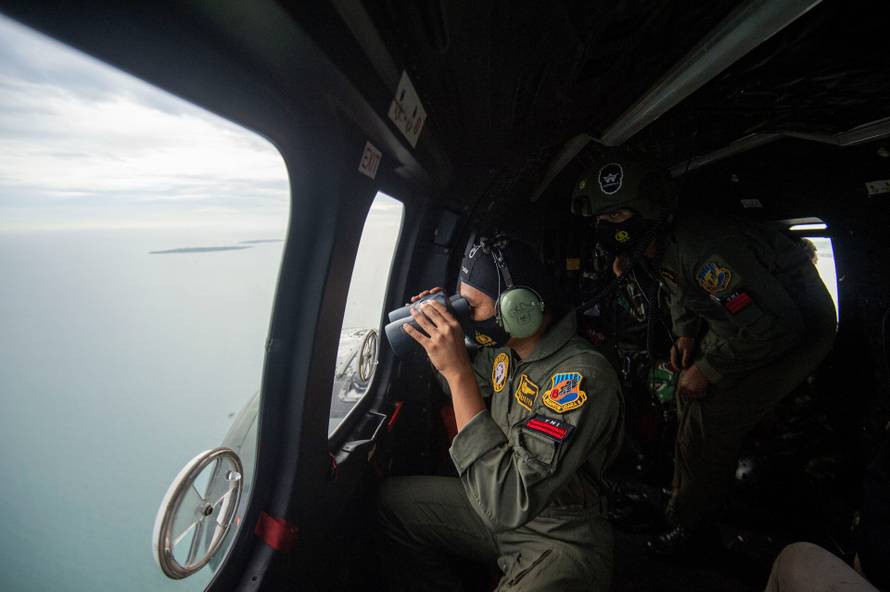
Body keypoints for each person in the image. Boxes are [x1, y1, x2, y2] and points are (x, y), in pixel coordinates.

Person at [570, 152, 837, 558]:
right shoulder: (663, 244)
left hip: (796, 328)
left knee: (709, 417)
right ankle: (685, 499)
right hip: (746, 323)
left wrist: (709, 369)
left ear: (647, 211)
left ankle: (695, 532)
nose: (607, 228)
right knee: (685, 394)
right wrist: (685, 336)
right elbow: (681, 289)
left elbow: (778, 326)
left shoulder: (704, 249)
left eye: (617, 216)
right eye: (602, 221)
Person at [377, 237, 624, 591]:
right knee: (393, 506)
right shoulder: (507, 353)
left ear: (518, 308)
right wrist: (438, 342)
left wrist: (459, 371)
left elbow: (508, 501)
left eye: (471, 305)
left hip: (558, 534)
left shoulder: (581, 378)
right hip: (496, 506)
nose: (464, 313)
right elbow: (457, 389)